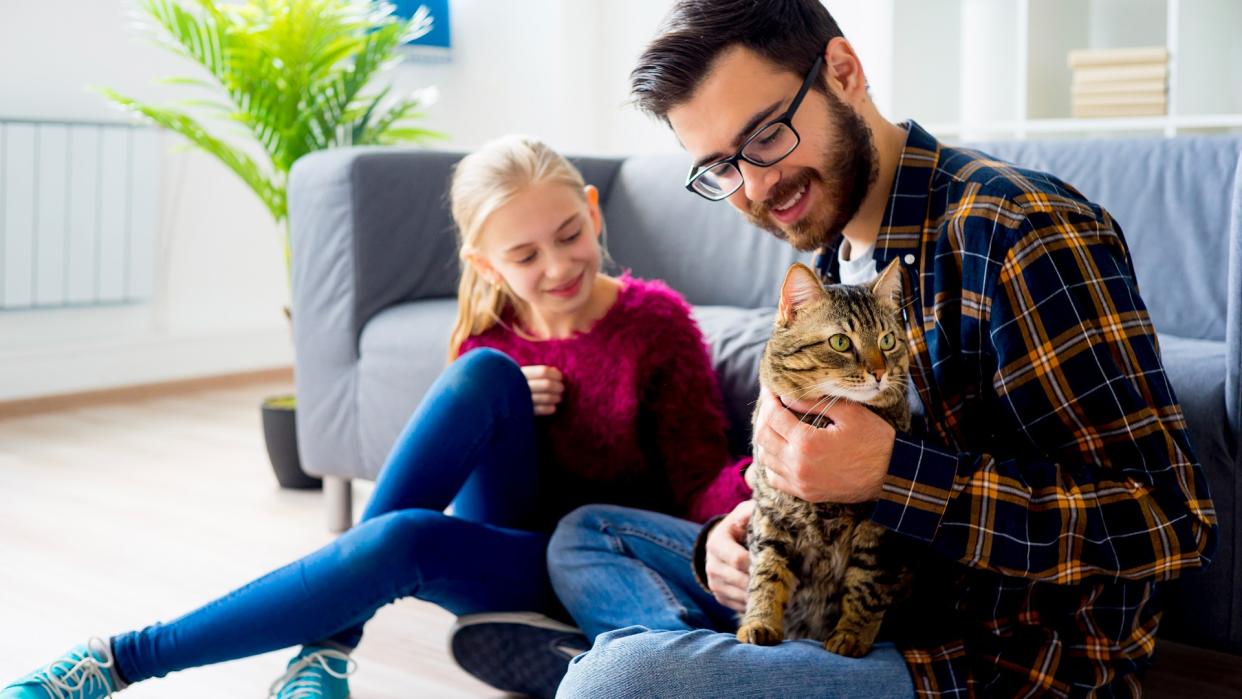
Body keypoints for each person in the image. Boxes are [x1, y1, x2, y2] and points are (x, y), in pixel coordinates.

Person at [547, 1, 1218, 696]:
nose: (754, 188)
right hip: (826, 590)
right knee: (586, 535)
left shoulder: (1019, 233)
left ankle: (666, 661)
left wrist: (894, 474)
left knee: (613, 683)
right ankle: (719, 658)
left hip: (976, 660)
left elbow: (1170, 521)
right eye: (720, 168)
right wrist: (740, 531)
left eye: (767, 135)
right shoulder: (834, 252)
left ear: (843, 71)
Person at [2, 135, 751, 699]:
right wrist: (517, 408)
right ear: (487, 264)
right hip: (508, 549)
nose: (557, 267)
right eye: (525, 255)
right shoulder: (490, 336)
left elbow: (696, 483)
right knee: (480, 382)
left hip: (596, 562)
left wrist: (758, 487)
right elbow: (476, 498)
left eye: (568, 235)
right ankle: (111, 660)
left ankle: (200, 653)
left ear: (592, 211)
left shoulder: (656, 323)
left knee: (396, 533)